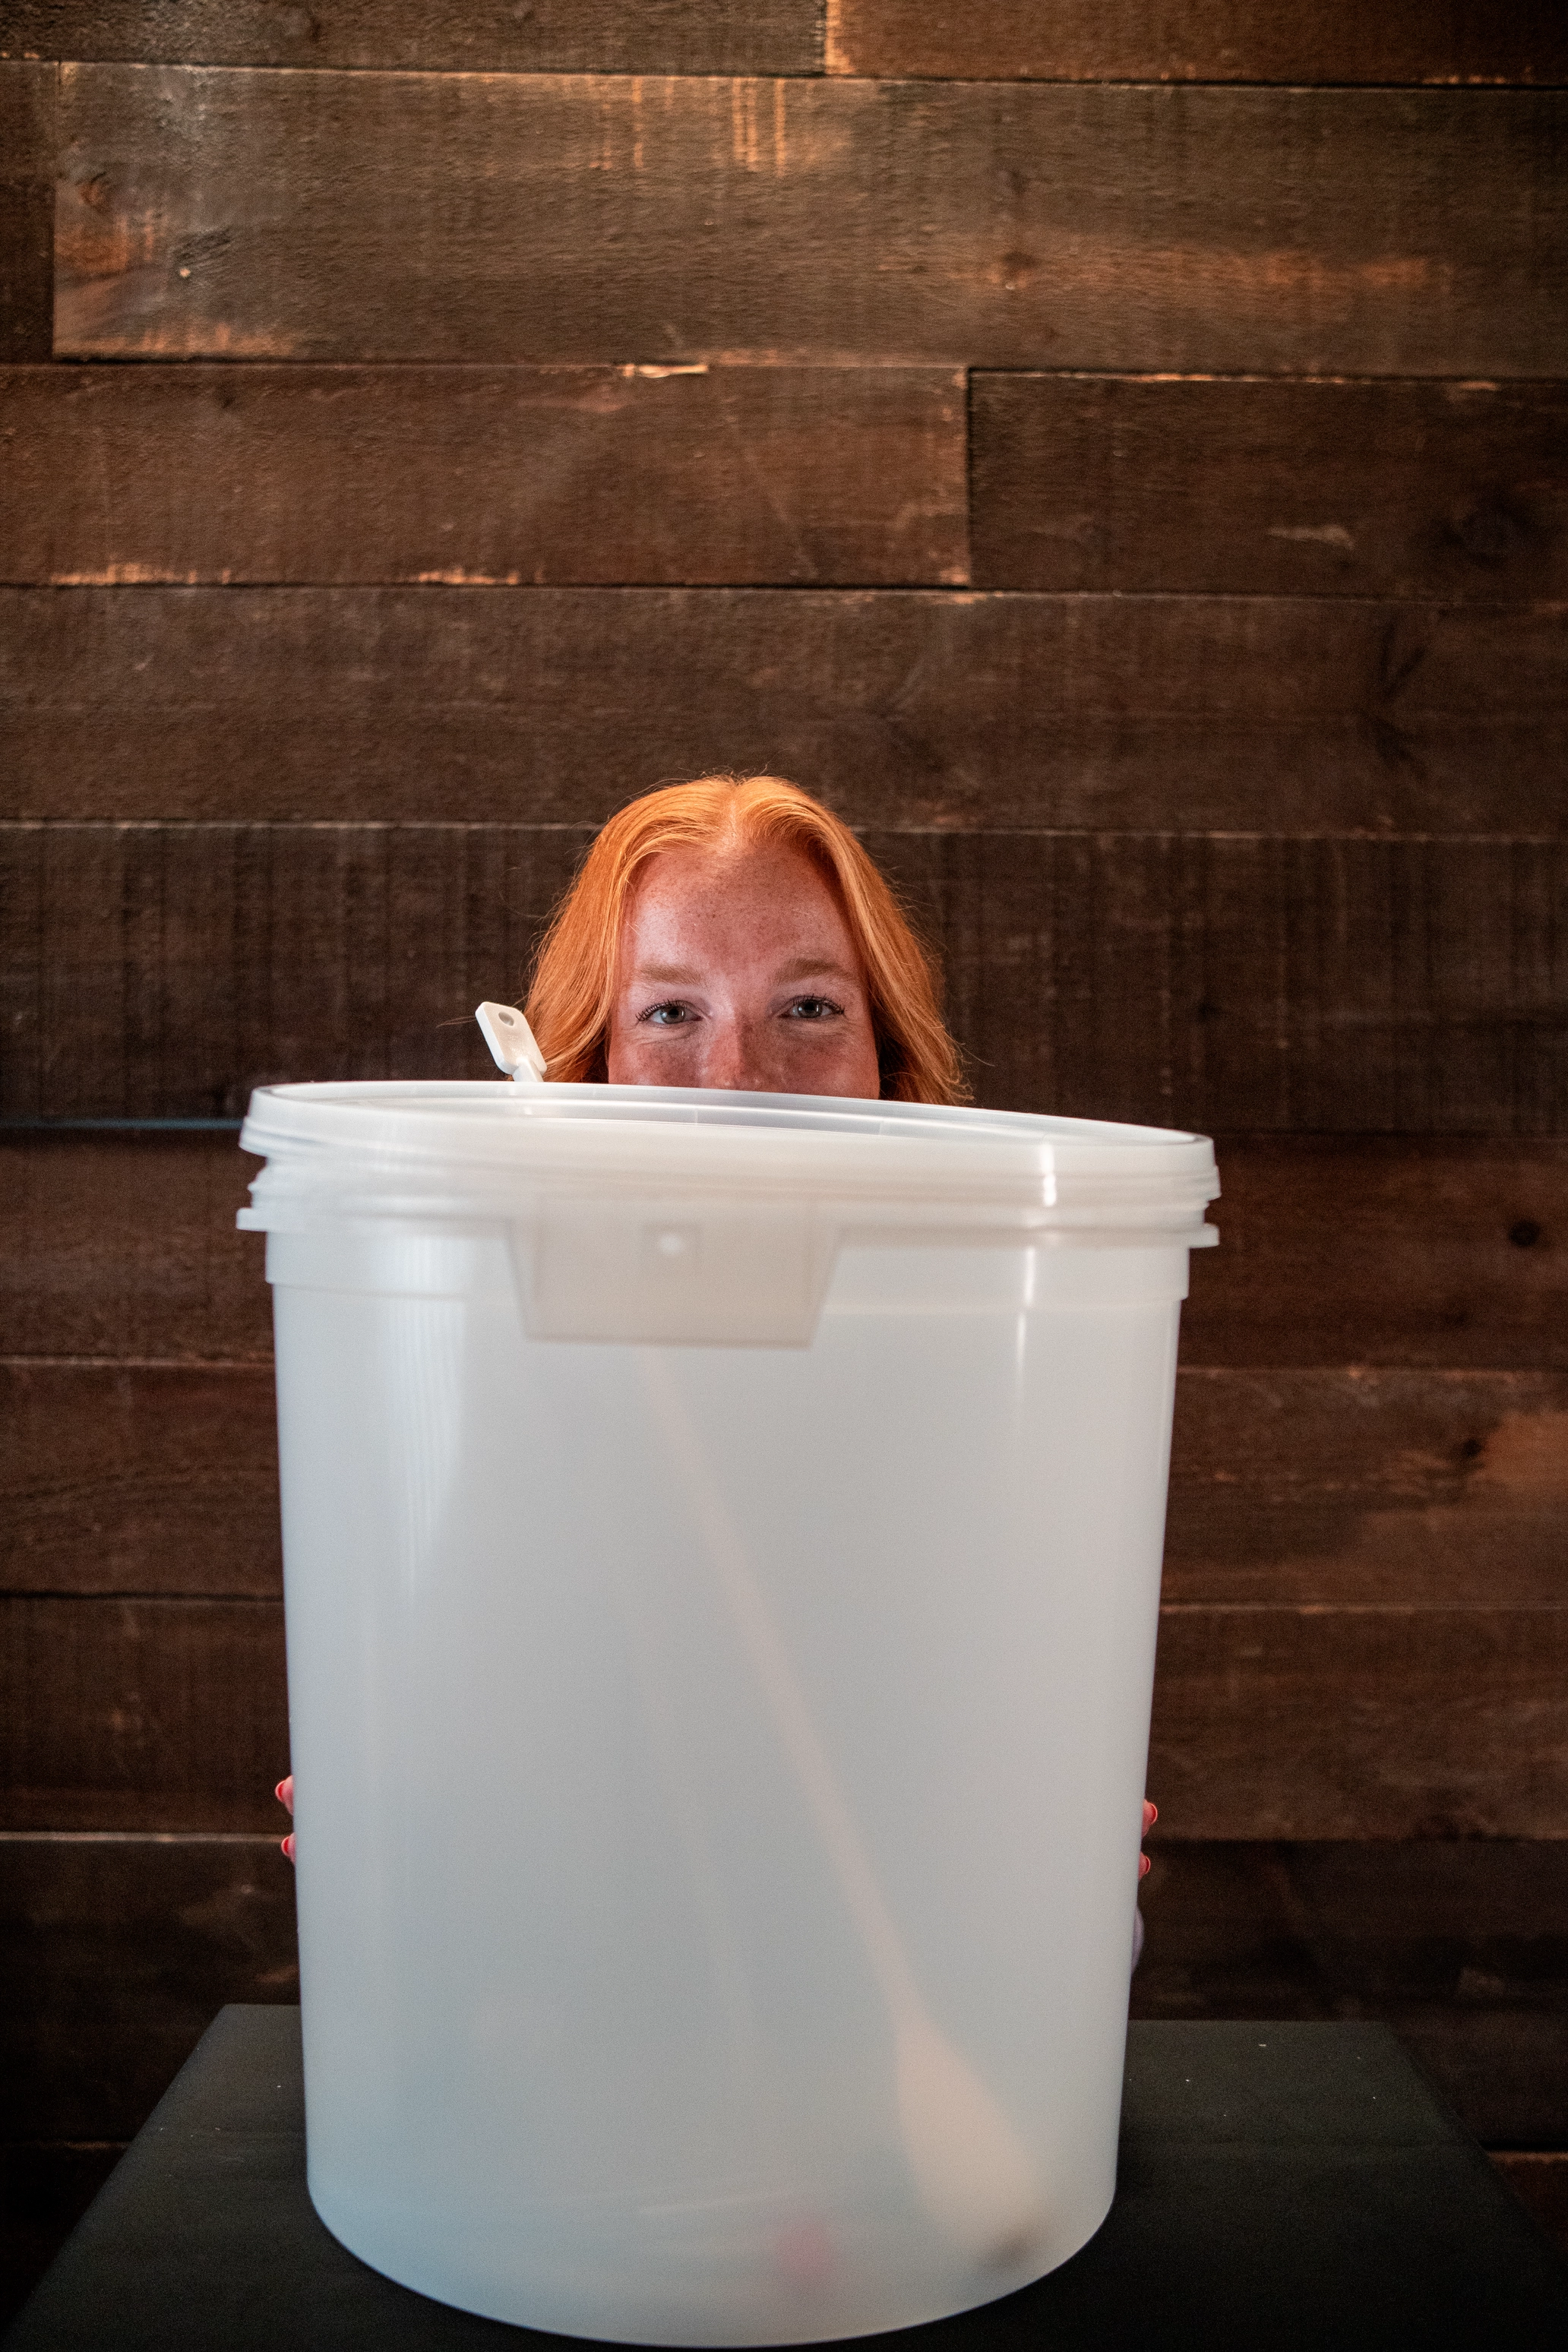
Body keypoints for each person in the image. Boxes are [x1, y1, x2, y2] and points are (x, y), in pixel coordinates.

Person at [275, 774, 1155, 1914]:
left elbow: (1036, 1949)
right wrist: (397, 1843)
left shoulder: (1009, 1382)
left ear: (889, 1067)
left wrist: (1067, 1894)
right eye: (672, 1012)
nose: (740, 1080)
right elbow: (448, 1888)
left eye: (809, 1008)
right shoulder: (483, 1379)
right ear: (584, 1069)